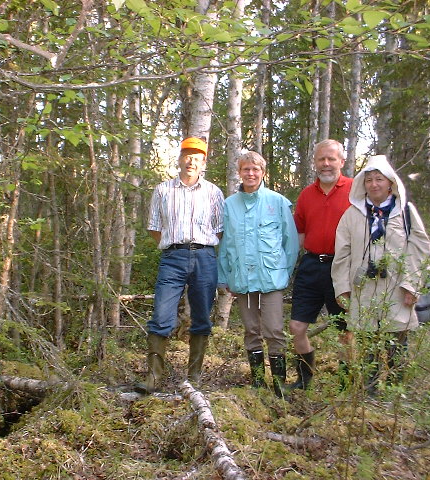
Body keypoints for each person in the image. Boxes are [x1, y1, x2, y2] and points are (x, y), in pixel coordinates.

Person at [331, 154, 430, 391]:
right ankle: (370, 394)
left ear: (390, 183)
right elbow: (342, 254)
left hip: (396, 290)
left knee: (397, 345)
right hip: (363, 289)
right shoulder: (352, 215)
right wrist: (342, 288)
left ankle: (396, 396)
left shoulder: (405, 212)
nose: (374, 184)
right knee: (367, 346)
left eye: (379, 179)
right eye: (369, 180)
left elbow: (420, 249)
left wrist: (412, 285)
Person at [134, 136, 224, 394]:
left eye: (197, 158)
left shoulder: (213, 192)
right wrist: (175, 245)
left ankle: (194, 378)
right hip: (172, 258)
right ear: (179, 159)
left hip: (205, 258)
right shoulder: (163, 190)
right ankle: (152, 378)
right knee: (161, 316)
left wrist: (199, 247)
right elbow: (154, 227)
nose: (191, 162)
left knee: (201, 318)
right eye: (187, 156)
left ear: (203, 162)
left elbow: (219, 231)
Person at [217, 152, 299, 397]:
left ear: (263, 172)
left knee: (274, 330)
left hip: (271, 281)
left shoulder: (278, 202)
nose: (250, 174)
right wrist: (225, 277)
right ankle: (257, 381)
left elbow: (290, 242)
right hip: (244, 282)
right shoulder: (229, 205)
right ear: (239, 172)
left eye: (255, 169)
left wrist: (283, 273)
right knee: (252, 330)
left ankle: (279, 384)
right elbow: (225, 244)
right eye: (246, 169)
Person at [289, 139, 354, 390]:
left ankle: (346, 385)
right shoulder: (306, 194)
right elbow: (301, 233)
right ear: (315, 162)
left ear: (341, 161)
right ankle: (304, 379)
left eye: (331, 159)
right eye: (321, 159)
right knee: (296, 326)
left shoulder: (355, 190)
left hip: (342, 268)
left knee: (345, 331)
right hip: (311, 266)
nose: (326, 164)